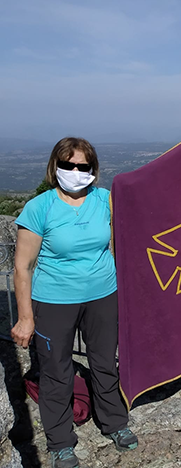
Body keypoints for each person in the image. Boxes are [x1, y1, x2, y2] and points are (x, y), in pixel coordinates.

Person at [11, 137, 138, 468]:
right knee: (56, 371)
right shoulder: (40, 208)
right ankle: (60, 442)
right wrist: (25, 318)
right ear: (56, 167)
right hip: (53, 301)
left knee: (104, 363)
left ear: (93, 170)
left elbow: (142, 219)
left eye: (84, 166)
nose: (76, 171)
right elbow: (22, 267)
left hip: (103, 296)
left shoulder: (105, 201)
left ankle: (115, 422)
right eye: (68, 165)